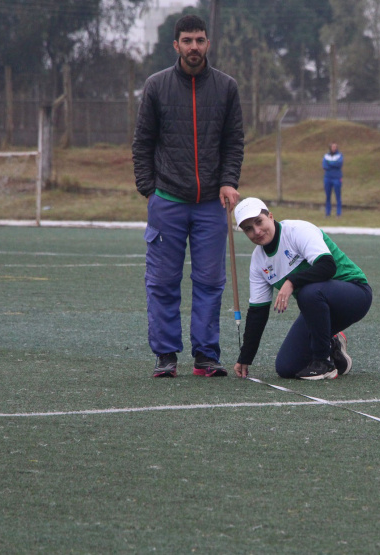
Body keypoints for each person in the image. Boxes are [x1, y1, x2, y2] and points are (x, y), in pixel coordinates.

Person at [132, 14, 244, 378]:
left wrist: (228, 181)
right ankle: (165, 356)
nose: (194, 47)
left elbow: (233, 143)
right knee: (163, 282)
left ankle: (206, 356)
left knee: (211, 283)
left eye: (199, 40)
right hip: (168, 200)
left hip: (212, 204)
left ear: (208, 43)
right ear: (176, 45)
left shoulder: (226, 87)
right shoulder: (156, 85)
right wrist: (150, 191)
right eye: (187, 40)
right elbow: (142, 144)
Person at [231, 198, 372, 380]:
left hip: (355, 295)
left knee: (309, 292)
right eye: (248, 229)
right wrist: (245, 357)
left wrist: (292, 282)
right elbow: (258, 313)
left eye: (259, 222)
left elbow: (327, 266)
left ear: (271, 216)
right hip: (318, 308)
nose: (256, 231)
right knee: (286, 368)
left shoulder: (297, 230)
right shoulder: (259, 262)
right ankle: (333, 346)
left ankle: (324, 363)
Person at [322, 142, 344, 217]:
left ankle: (338, 213)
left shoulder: (340, 155)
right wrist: (333, 164)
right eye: (332, 147)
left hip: (337, 178)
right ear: (330, 147)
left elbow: (339, 164)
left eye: (335, 147)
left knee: (338, 196)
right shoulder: (326, 156)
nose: (334, 148)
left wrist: (330, 163)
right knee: (328, 196)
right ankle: (327, 213)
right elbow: (325, 166)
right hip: (328, 177)